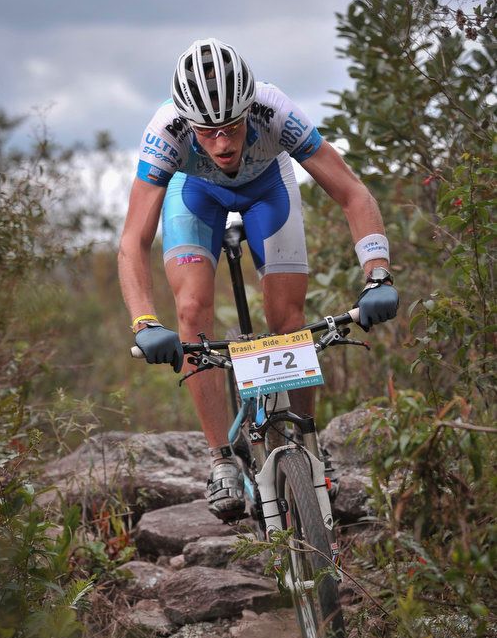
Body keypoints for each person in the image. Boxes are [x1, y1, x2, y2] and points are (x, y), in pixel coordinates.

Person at [118, 38, 398, 522]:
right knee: (190, 311)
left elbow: (352, 193)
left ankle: (307, 440)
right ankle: (220, 459)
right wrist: (144, 322)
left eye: (231, 127)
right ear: (188, 123)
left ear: (250, 109)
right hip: (195, 194)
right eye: (208, 133)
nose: (223, 144)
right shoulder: (166, 132)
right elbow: (132, 241)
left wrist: (377, 274)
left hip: (268, 188)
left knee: (288, 315)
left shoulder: (275, 112)